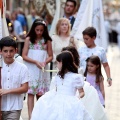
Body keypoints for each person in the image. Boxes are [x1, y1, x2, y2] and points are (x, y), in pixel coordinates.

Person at [31, 51, 93, 120]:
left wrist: (77, 97)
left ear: (63, 63)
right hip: (57, 101)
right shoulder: (58, 76)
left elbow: (82, 92)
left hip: (70, 102)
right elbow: (57, 90)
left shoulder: (75, 77)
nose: (56, 65)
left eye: (58, 62)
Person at [22, 18, 53, 120]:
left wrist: (45, 62)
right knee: (31, 93)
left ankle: (40, 116)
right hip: (31, 68)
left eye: (41, 30)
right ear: (33, 29)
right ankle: (31, 116)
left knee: (41, 93)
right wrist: (35, 61)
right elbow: (24, 55)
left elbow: (50, 56)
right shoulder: (28, 39)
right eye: (37, 30)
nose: (39, 32)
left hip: (42, 69)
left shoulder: (47, 41)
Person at [0, 36, 28, 120]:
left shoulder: (22, 68)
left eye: (11, 51)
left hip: (14, 107)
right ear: (0, 51)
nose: (8, 54)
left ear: (16, 51)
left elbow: (25, 88)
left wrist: (7, 91)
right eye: (5, 51)